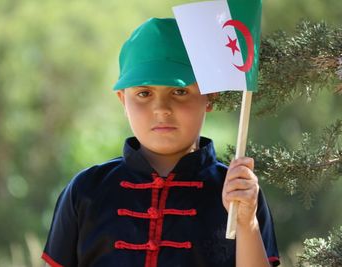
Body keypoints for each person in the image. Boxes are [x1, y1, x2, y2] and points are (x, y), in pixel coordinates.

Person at [42, 17, 280, 267]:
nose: (162, 109)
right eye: (144, 93)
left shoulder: (238, 193)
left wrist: (247, 223)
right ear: (123, 100)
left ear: (210, 96)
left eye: (179, 91)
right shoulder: (85, 190)